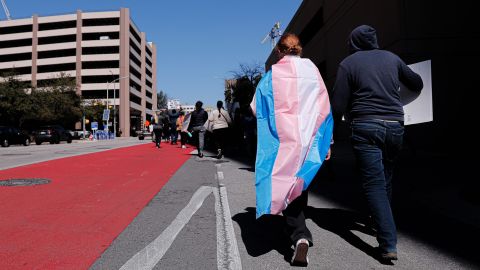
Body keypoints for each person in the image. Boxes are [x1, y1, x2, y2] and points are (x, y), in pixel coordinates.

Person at [331, 25, 423, 261]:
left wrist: (330, 133)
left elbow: (338, 104)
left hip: (365, 126)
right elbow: (417, 83)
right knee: (386, 176)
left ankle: (387, 242)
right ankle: (377, 221)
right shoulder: (392, 58)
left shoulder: (348, 64)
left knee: (374, 184)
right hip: (395, 126)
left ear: (353, 42)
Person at [251, 33, 333, 267]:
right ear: (300, 49)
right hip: (310, 138)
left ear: (279, 51)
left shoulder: (271, 76)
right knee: (300, 181)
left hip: (284, 140)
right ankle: (299, 230)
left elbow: (257, 109)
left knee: (287, 181)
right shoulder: (313, 71)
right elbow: (325, 107)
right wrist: (328, 140)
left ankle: (300, 235)